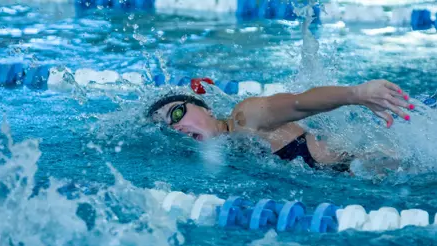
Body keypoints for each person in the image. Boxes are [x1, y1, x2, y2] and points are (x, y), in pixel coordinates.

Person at [147, 79, 413, 173]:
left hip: (379, 167)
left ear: (207, 109)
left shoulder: (246, 116)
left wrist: (356, 94)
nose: (176, 127)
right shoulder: (226, 151)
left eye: (177, 112)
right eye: (167, 127)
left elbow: (300, 103)